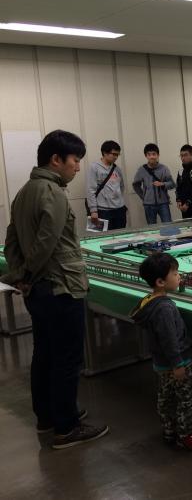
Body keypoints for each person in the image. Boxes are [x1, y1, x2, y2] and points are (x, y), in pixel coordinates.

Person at [2, 130, 109, 449]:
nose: (77, 166)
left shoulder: (24, 192)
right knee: (67, 358)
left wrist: (20, 275)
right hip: (61, 287)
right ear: (56, 159)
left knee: (45, 353)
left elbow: (11, 241)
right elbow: (47, 243)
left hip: (38, 290)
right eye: (75, 159)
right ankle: (67, 426)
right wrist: (28, 274)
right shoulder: (53, 192)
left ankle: (48, 416)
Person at [130, 252, 192, 451]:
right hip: (176, 363)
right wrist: (178, 363)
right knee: (185, 399)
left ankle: (169, 430)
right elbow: (169, 339)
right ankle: (186, 436)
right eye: (175, 274)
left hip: (161, 364)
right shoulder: (165, 309)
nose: (179, 276)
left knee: (165, 397)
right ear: (160, 282)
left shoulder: (150, 302)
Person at [86, 140, 127, 230]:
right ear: (105, 153)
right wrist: (93, 210)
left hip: (119, 209)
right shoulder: (94, 167)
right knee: (103, 236)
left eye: (117, 155)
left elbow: (121, 186)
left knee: (120, 234)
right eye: (114, 154)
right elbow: (91, 190)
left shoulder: (117, 169)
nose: (116, 157)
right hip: (103, 211)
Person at [132, 143, 175, 224]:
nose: (151, 157)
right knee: (152, 228)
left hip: (163, 203)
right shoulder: (142, 170)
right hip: (148, 205)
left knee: (168, 225)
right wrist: (144, 197)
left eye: (154, 154)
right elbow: (135, 185)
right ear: (146, 156)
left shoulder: (164, 168)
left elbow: (172, 184)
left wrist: (163, 184)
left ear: (158, 155)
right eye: (149, 154)